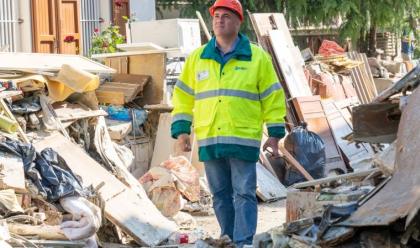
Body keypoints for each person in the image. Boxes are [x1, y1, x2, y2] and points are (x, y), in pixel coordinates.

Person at [170, 0, 286, 246]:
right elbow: (182, 96)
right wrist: (181, 130)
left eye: (226, 16)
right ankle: (228, 238)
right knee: (220, 195)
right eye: (216, 16)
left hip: (243, 138)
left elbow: (273, 96)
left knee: (244, 193)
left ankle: (243, 242)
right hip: (210, 138)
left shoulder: (256, 57)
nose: (220, 20)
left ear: (238, 21)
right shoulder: (197, 58)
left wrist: (275, 133)